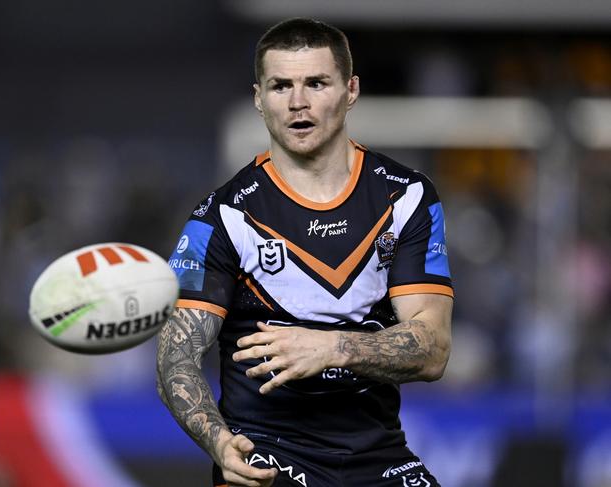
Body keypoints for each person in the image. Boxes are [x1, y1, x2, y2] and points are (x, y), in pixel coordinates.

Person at [157, 17, 453, 487]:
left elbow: (434, 350)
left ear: (350, 90)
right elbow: (176, 358)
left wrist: (332, 347)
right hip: (268, 456)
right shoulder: (222, 216)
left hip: (379, 455)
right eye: (280, 86)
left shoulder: (407, 198)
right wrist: (218, 442)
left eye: (316, 83)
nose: (298, 102)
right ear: (259, 99)